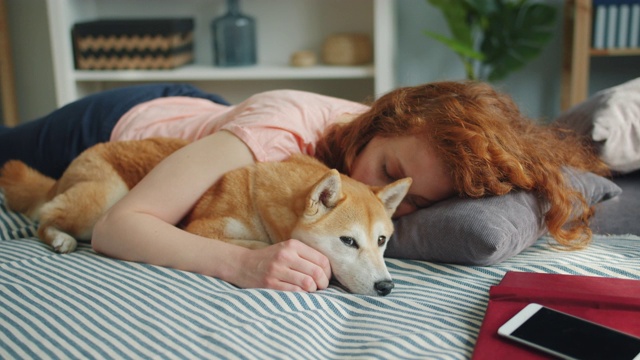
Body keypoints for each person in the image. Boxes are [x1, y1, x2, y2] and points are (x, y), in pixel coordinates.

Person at [0, 81, 609, 292]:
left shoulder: (403, 150)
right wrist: (243, 264)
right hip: (116, 125)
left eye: (418, 200)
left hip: (208, 118)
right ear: (381, 122)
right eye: (390, 175)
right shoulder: (275, 135)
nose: (392, 194)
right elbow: (114, 227)